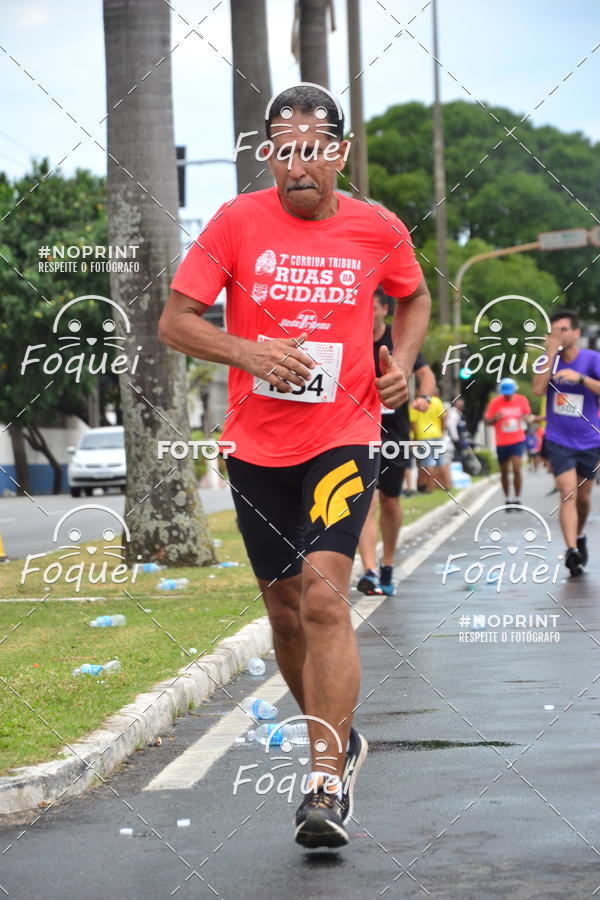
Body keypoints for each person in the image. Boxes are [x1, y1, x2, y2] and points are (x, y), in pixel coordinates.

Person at [158, 83, 431, 848]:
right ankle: (338, 737)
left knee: (322, 599)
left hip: (344, 433)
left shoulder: (377, 228)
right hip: (256, 447)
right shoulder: (237, 223)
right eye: (283, 151)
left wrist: (401, 362)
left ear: (339, 153)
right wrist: (246, 351)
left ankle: (323, 778)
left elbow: (413, 299)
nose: (297, 166)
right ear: (269, 154)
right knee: (283, 612)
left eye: (312, 151)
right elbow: (175, 322)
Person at [356, 288, 435, 597]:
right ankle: (369, 570)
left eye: (372, 308)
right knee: (365, 500)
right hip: (358, 429)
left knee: (390, 500)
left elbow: (426, 374)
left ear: (384, 310)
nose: (366, 315)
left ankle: (387, 563)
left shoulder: (398, 338)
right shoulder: (353, 337)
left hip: (394, 432)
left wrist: (424, 397)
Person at [532, 309, 600, 576]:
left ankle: (579, 536)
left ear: (576, 333)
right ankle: (571, 550)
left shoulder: (592, 359)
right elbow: (537, 389)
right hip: (558, 439)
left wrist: (580, 379)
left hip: (589, 439)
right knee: (568, 492)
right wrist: (550, 353)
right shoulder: (548, 360)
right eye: (554, 331)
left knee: (583, 496)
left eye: (563, 330)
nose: (558, 335)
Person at [484, 377, 531, 508]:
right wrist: (495, 418)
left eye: (509, 393)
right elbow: (487, 421)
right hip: (502, 442)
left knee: (516, 468)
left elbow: (527, 415)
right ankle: (508, 498)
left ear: (514, 390)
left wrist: (527, 419)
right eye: (505, 393)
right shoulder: (495, 402)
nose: (507, 395)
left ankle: (517, 498)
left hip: (517, 439)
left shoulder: (522, 400)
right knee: (504, 471)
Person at [408, 390, 451, 491]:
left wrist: (415, 438)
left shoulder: (415, 404)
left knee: (428, 463)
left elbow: (413, 423)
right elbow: (443, 417)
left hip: (423, 435)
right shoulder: (437, 401)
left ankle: (430, 487)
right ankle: (447, 485)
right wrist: (442, 432)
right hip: (437, 434)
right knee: (441, 461)